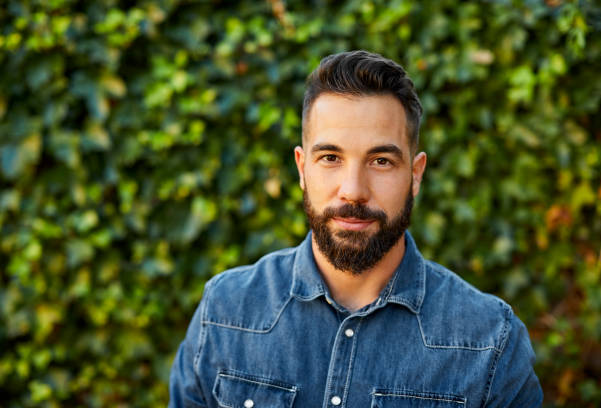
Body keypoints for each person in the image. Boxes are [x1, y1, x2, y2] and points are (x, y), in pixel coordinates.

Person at [169, 50, 543, 408]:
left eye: (381, 161)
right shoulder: (225, 312)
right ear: (302, 169)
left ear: (415, 175)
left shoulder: (489, 341)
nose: (353, 190)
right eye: (330, 158)